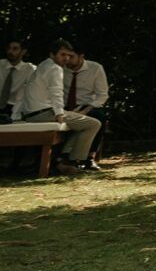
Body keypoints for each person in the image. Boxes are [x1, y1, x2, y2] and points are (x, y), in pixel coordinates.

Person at [14, 41, 99, 174]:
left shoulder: (44, 64)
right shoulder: (55, 68)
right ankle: (72, 161)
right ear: (52, 54)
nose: (66, 58)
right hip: (44, 114)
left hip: (35, 113)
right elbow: (56, 92)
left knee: (82, 122)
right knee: (93, 124)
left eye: (69, 55)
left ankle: (63, 158)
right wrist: (60, 113)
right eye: (62, 54)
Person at [67, 48, 109, 168]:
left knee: (100, 117)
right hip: (65, 106)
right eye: (66, 56)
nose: (67, 60)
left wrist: (85, 110)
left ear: (81, 56)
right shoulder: (61, 68)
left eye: (71, 56)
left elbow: (102, 95)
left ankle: (90, 158)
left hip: (86, 105)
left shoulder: (95, 68)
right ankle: (62, 158)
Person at [0, 40, 31, 125]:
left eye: (15, 49)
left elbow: (25, 94)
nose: (10, 51)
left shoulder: (29, 69)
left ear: (23, 51)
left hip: (13, 107)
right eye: (9, 48)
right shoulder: (1, 65)